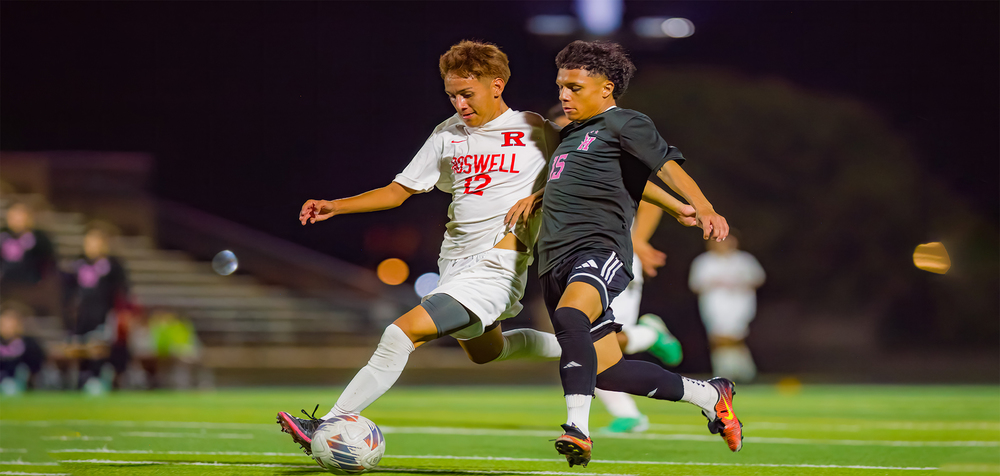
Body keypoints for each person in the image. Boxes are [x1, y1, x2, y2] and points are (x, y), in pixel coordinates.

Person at [537, 40, 742, 466]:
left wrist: (702, 206)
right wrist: (537, 197)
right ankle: (710, 394)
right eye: (561, 86)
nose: (563, 95)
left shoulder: (625, 122)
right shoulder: (572, 135)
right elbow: (632, 182)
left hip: (599, 248)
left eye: (574, 87)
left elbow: (664, 165)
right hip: (554, 259)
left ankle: (578, 428)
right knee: (608, 371)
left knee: (571, 316)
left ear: (607, 88)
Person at [548, 105, 686, 434]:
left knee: (591, 339)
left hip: (611, 253)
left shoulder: (605, 148)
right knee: (587, 340)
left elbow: (651, 195)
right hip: (570, 255)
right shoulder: (558, 163)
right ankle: (627, 413)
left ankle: (650, 336)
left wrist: (637, 240)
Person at [61, 222, 129, 390]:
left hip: (103, 315)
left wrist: (119, 315)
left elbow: (122, 293)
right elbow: (68, 292)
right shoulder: (78, 264)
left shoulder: (113, 266)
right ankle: (82, 380)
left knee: (99, 348)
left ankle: (100, 378)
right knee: (81, 349)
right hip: (82, 316)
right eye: (90, 241)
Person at [689, 232, 765, 383]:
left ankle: (738, 372)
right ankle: (733, 372)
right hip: (715, 304)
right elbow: (695, 284)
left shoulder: (744, 260)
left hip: (740, 303)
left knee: (735, 337)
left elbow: (758, 278)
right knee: (718, 337)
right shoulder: (705, 261)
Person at [0, 302, 47, 394]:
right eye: (4, 322)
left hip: (19, 381)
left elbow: (36, 364)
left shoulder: (28, 343)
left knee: (21, 371)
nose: (8, 325)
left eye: (11, 321)